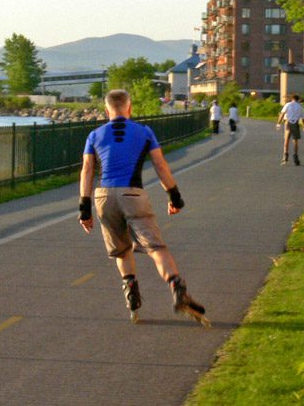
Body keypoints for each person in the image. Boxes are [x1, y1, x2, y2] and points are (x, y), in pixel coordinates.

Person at [78, 89, 208, 325]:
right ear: (129, 108)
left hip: (104, 197)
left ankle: (131, 294)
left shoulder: (94, 135)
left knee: (121, 250)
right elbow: (160, 165)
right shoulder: (144, 132)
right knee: (156, 247)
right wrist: (174, 197)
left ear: (106, 111)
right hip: (132, 194)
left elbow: (87, 170)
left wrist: (84, 208)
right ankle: (178, 290)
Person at [276, 93, 304, 166]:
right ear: (298, 100)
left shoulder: (288, 105)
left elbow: (282, 114)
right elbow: (303, 118)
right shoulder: (300, 106)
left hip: (288, 123)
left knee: (286, 140)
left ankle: (285, 156)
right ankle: (295, 157)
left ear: (292, 99)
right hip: (295, 123)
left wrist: (278, 123)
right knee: (295, 141)